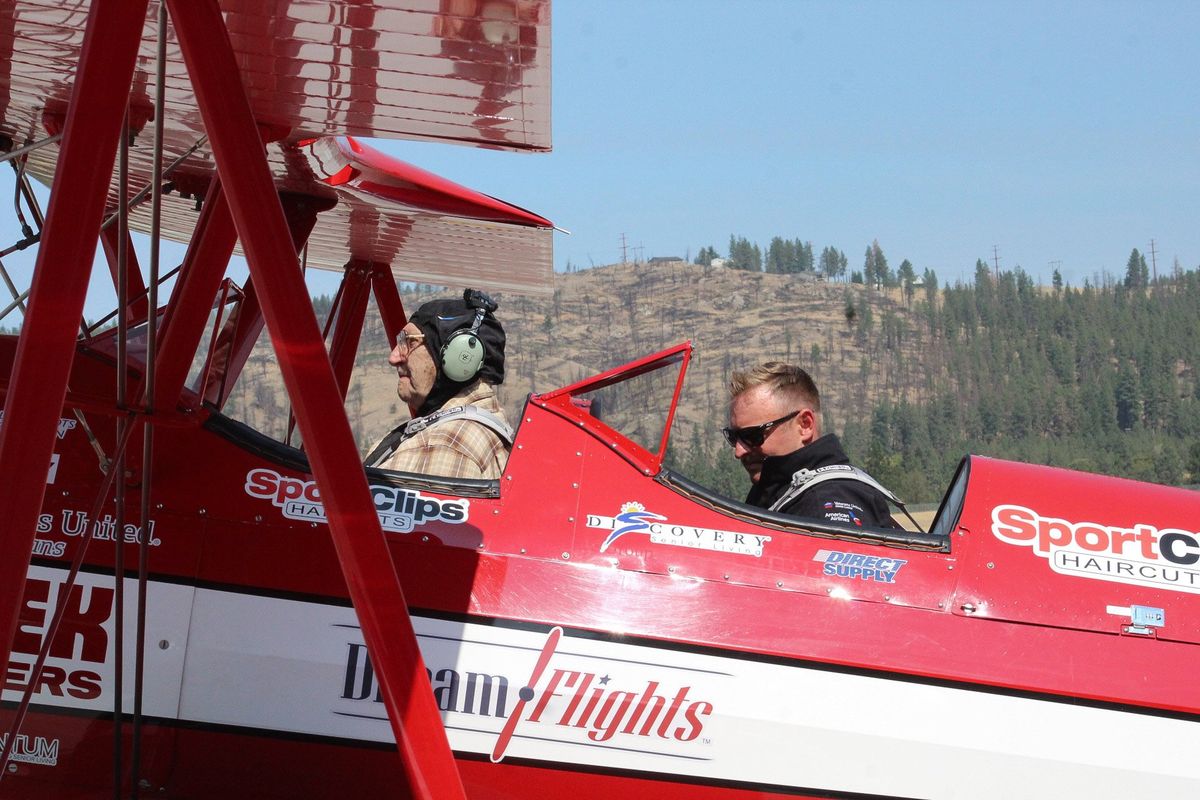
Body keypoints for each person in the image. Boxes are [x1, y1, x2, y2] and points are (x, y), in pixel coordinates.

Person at [724, 362, 898, 528]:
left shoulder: (825, 504)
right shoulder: (774, 493)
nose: (738, 451)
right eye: (733, 437)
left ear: (805, 425)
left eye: (752, 436)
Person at [365, 289, 513, 479]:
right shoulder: (477, 431)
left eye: (408, 343)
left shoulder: (445, 445)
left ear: (459, 358)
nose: (393, 357)